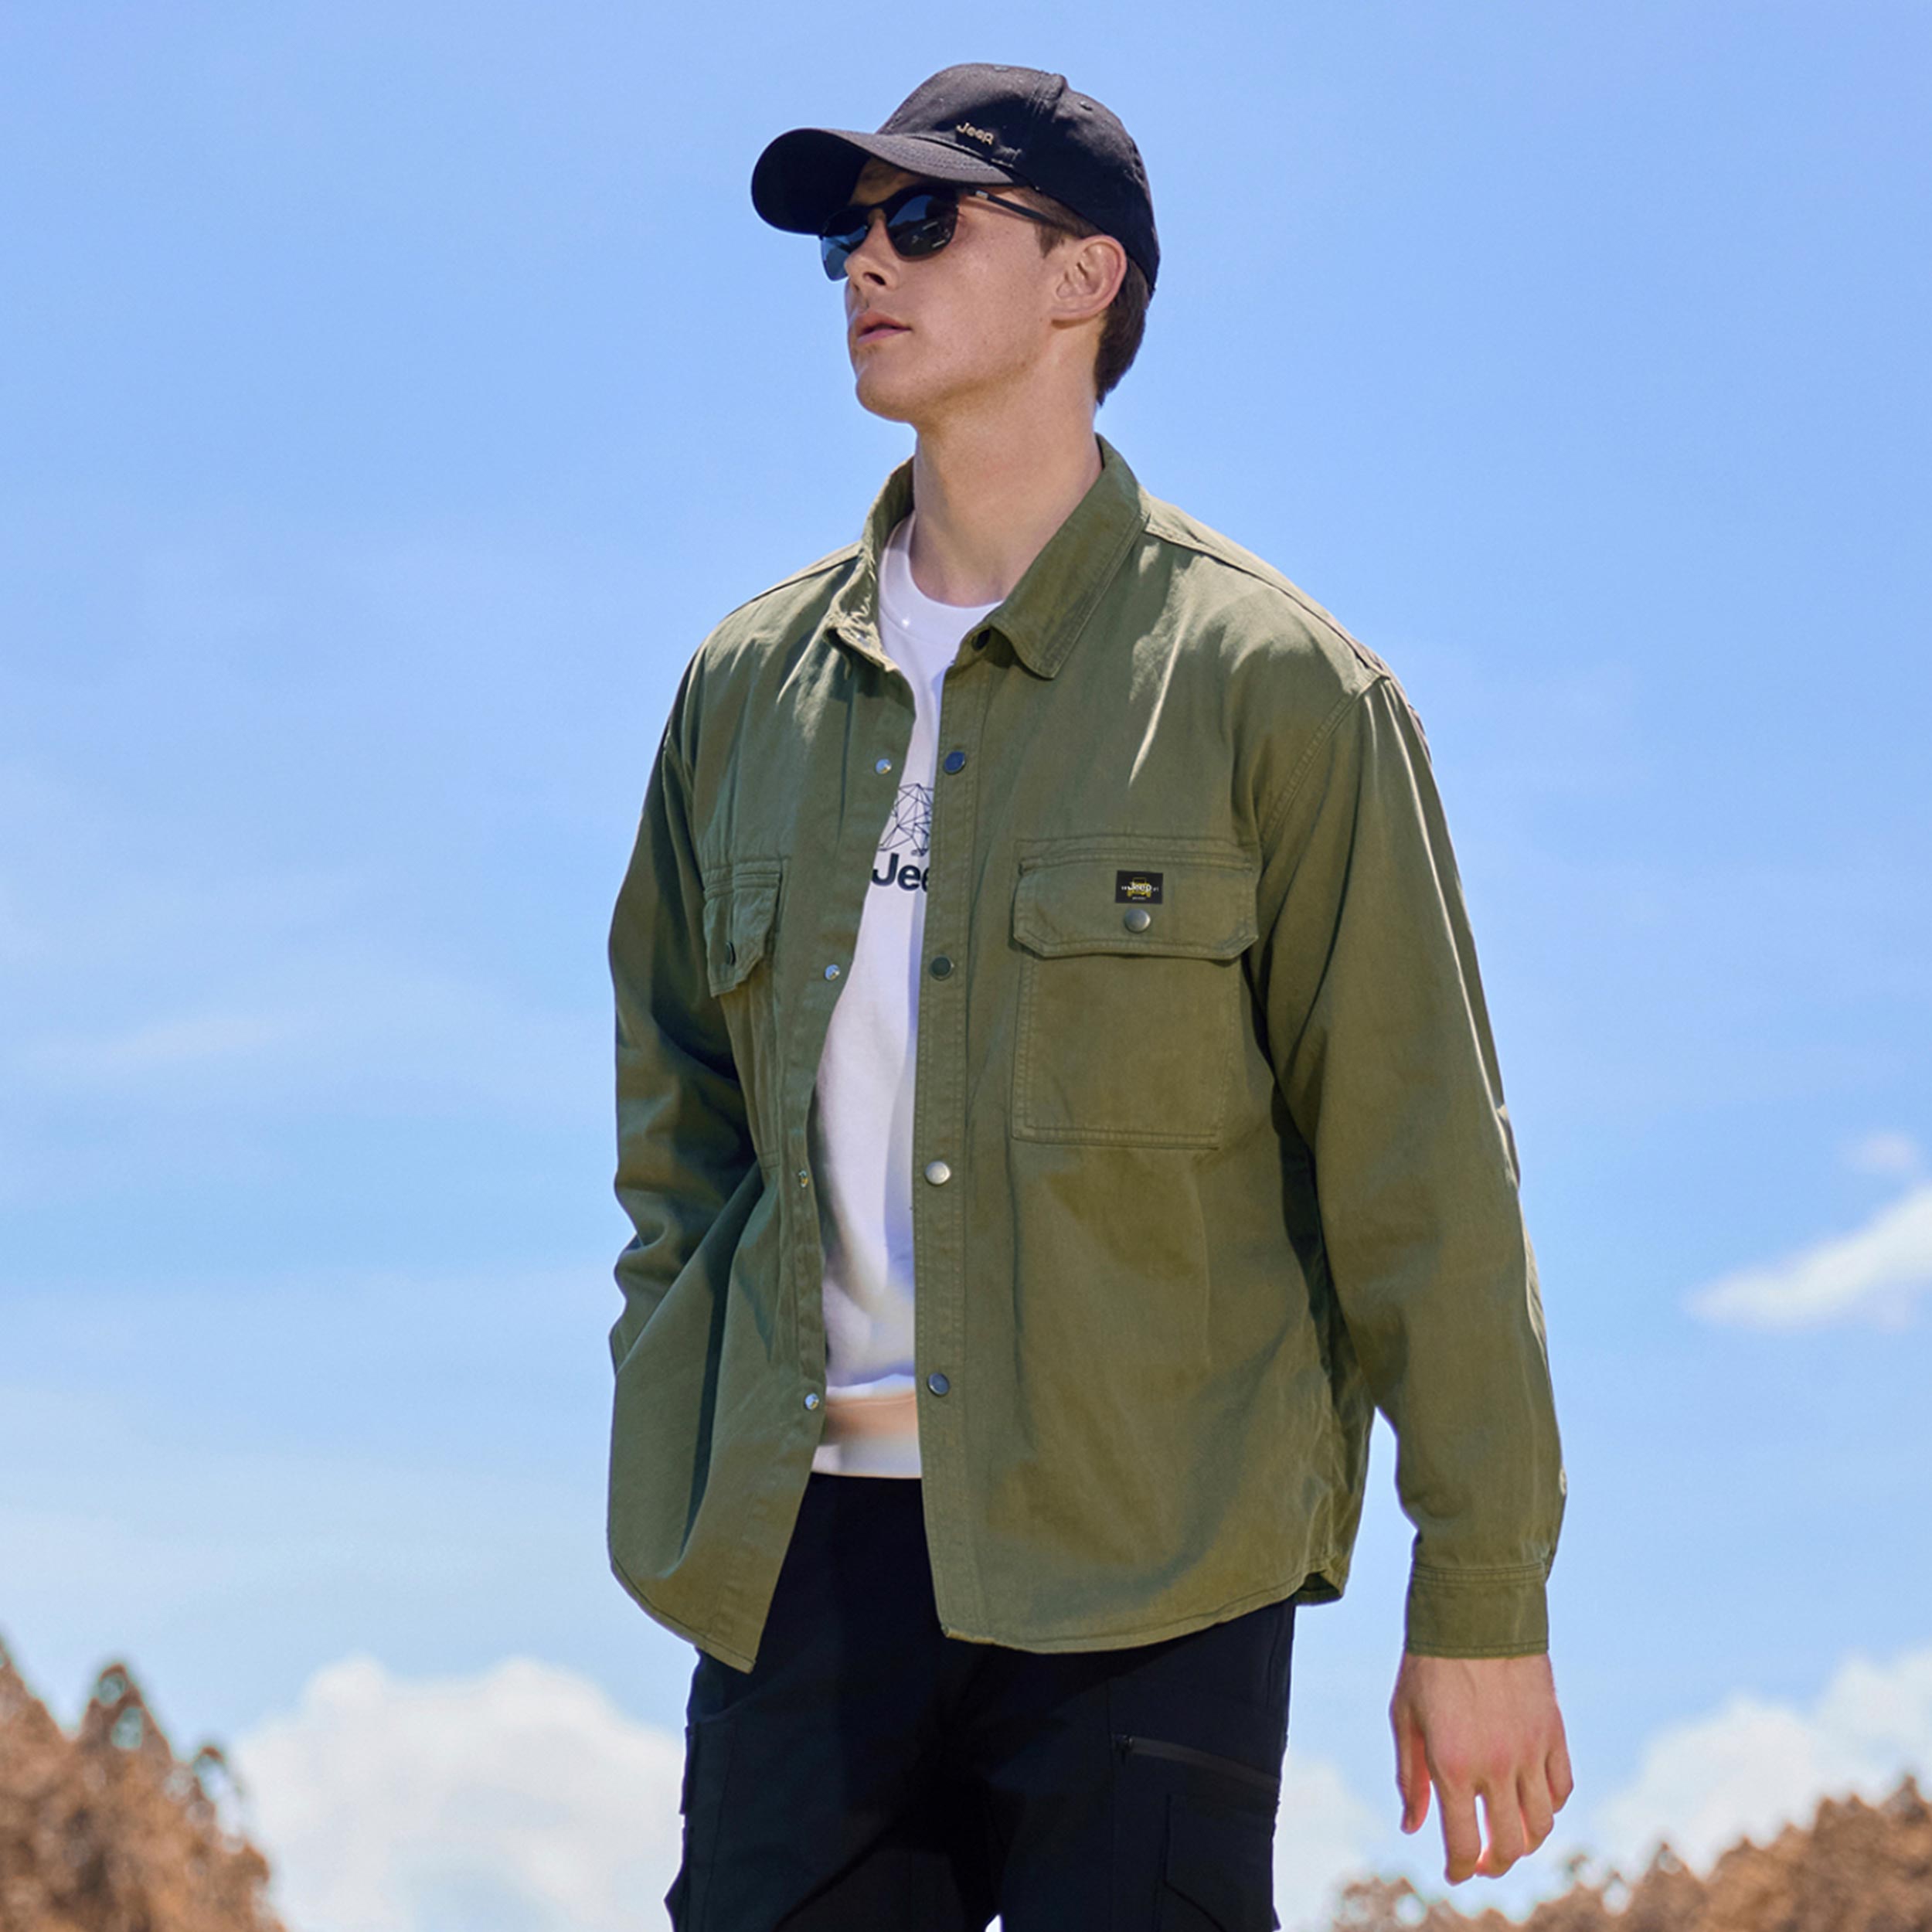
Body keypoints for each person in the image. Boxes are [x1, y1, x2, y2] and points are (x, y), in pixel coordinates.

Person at [607, 60, 1571, 1930]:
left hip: (1153, 1568)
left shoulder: (1277, 689)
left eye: (920, 220)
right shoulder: (741, 691)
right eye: (846, 236)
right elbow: (678, 1123)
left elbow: (1422, 1173)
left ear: (1084, 278)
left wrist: (1482, 1599)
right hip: (801, 1564)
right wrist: (687, 1382)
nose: (863, 265)